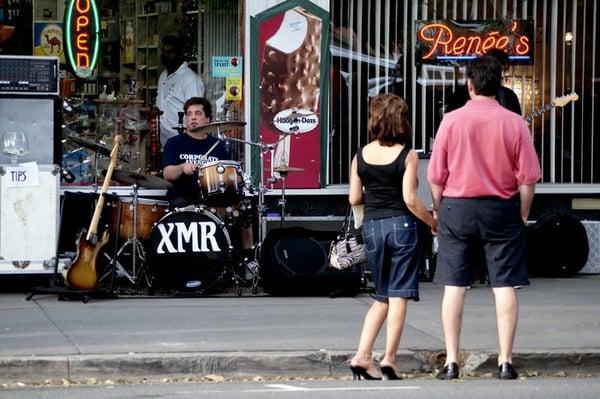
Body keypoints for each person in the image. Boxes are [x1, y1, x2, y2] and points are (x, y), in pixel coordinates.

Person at [427, 55, 541, 380]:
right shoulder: (515, 122)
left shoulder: (451, 120)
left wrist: (438, 207)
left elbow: (436, 176)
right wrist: (522, 212)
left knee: (454, 285)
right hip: (501, 207)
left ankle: (451, 361)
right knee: (505, 285)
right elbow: (529, 178)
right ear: (499, 85)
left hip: (457, 208)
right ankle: (505, 361)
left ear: (470, 85)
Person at [349, 93, 437, 380]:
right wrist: (432, 221)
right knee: (399, 296)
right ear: (401, 121)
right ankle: (389, 360)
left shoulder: (360, 155)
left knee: (382, 295)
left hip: (373, 227)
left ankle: (362, 356)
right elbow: (410, 199)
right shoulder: (407, 154)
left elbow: (353, 198)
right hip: (401, 226)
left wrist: (373, 192)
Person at [162, 97, 228, 209]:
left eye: (198, 113)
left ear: (207, 118)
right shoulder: (174, 143)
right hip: (182, 202)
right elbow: (167, 174)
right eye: (189, 114)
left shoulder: (217, 145)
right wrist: (182, 167)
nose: (193, 117)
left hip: (212, 202)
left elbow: (226, 177)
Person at [156, 35, 205, 148]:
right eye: (163, 51)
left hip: (182, 142)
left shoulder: (190, 79)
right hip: (163, 142)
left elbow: (197, 115)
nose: (166, 55)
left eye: (170, 52)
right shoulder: (163, 75)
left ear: (180, 54)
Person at [444, 48, 521, 115]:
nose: (502, 75)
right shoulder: (461, 93)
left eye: (504, 70)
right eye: (499, 70)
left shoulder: (509, 96)